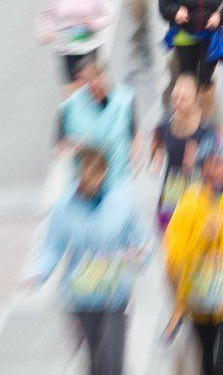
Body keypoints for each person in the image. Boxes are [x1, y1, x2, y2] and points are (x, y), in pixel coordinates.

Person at [26, 149, 150, 375]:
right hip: (80, 297)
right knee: (95, 362)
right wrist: (38, 272)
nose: (88, 180)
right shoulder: (63, 208)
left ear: (104, 174)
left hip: (114, 295)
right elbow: (53, 246)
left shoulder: (121, 204)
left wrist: (139, 255)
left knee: (112, 362)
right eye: (84, 174)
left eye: (94, 174)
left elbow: (140, 239)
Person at [163, 148, 223, 375]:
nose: (213, 170)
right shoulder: (187, 201)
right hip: (200, 298)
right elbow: (174, 254)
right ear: (200, 169)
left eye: (218, 164)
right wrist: (202, 237)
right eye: (207, 164)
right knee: (207, 362)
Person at [149, 74, 222, 230]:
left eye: (184, 99)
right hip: (173, 186)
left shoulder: (208, 130)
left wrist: (195, 163)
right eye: (175, 98)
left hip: (200, 189)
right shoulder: (165, 124)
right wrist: (156, 155)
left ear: (195, 99)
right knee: (168, 230)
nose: (178, 103)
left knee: (199, 232)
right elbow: (156, 138)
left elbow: (220, 166)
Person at [57, 62, 139, 186]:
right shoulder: (69, 108)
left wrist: (135, 155)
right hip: (86, 183)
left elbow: (134, 134)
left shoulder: (124, 101)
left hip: (116, 178)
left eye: (98, 80)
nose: (95, 88)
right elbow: (60, 145)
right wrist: (73, 146)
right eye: (90, 84)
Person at [37, 0, 113, 84]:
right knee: (73, 85)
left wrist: (94, 22)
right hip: (67, 47)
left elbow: (109, 14)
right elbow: (45, 15)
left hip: (90, 44)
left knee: (94, 83)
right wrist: (46, 31)